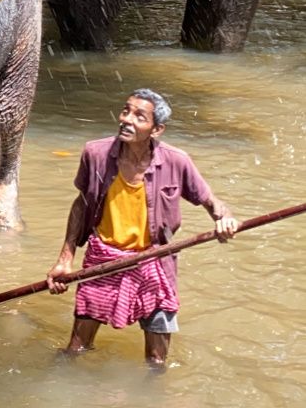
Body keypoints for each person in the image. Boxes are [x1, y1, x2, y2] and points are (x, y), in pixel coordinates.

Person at [46, 89, 238, 367]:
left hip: (154, 263)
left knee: (157, 362)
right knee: (75, 350)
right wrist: (65, 259)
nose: (127, 119)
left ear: (157, 129)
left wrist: (224, 219)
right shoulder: (95, 154)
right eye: (126, 111)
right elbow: (80, 205)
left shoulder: (176, 161)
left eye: (139, 116)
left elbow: (212, 202)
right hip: (103, 261)